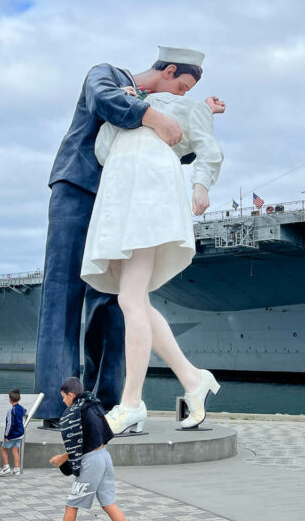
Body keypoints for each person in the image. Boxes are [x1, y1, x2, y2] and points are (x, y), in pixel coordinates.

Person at [34, 46, 203, 425]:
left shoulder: (160, 106)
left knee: (112, 301)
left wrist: (199, 117)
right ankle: (55, 404)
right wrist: (152, 115)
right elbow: (104, 100)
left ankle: (107, 402)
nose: (182, 95)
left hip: (122, 198)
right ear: (168, 69)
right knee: (63, 293)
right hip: (78, 187)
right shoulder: (106, 73)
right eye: (183, 86)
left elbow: (176, 142)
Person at [81, 85, 224, 434]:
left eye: (185, 86)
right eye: (180, 84)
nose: (179, 90)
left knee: (130, 298)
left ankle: (131, 403)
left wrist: (201, 185)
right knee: (136, 299)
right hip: (120, 192)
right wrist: (127, 106)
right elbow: (102, 149)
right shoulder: (131, 106)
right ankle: (193, 379)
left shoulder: (189, 108)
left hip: (149, 188)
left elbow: (209, 149)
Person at [35, 377, 146, 521]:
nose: (63, 401)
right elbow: (96, 436)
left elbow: (79, 445)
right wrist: (65, 456)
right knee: (108, 503)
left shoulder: (75, 412)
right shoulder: (93, 405)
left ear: (71, 395)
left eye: (64, 397)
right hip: (104, 456)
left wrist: (66, 457)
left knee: (72, 505)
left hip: (91, 462)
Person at [0, 388, 26, 476]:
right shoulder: (22, 408)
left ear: (10, 400)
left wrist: (6, 436)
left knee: (3, 449)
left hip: (12, 435)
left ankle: (6, 467)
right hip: (20, 434)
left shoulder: (11, 411)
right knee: (15, 450)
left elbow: (9, 424)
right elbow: (25, 413)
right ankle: (16, 469)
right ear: (20, 398)